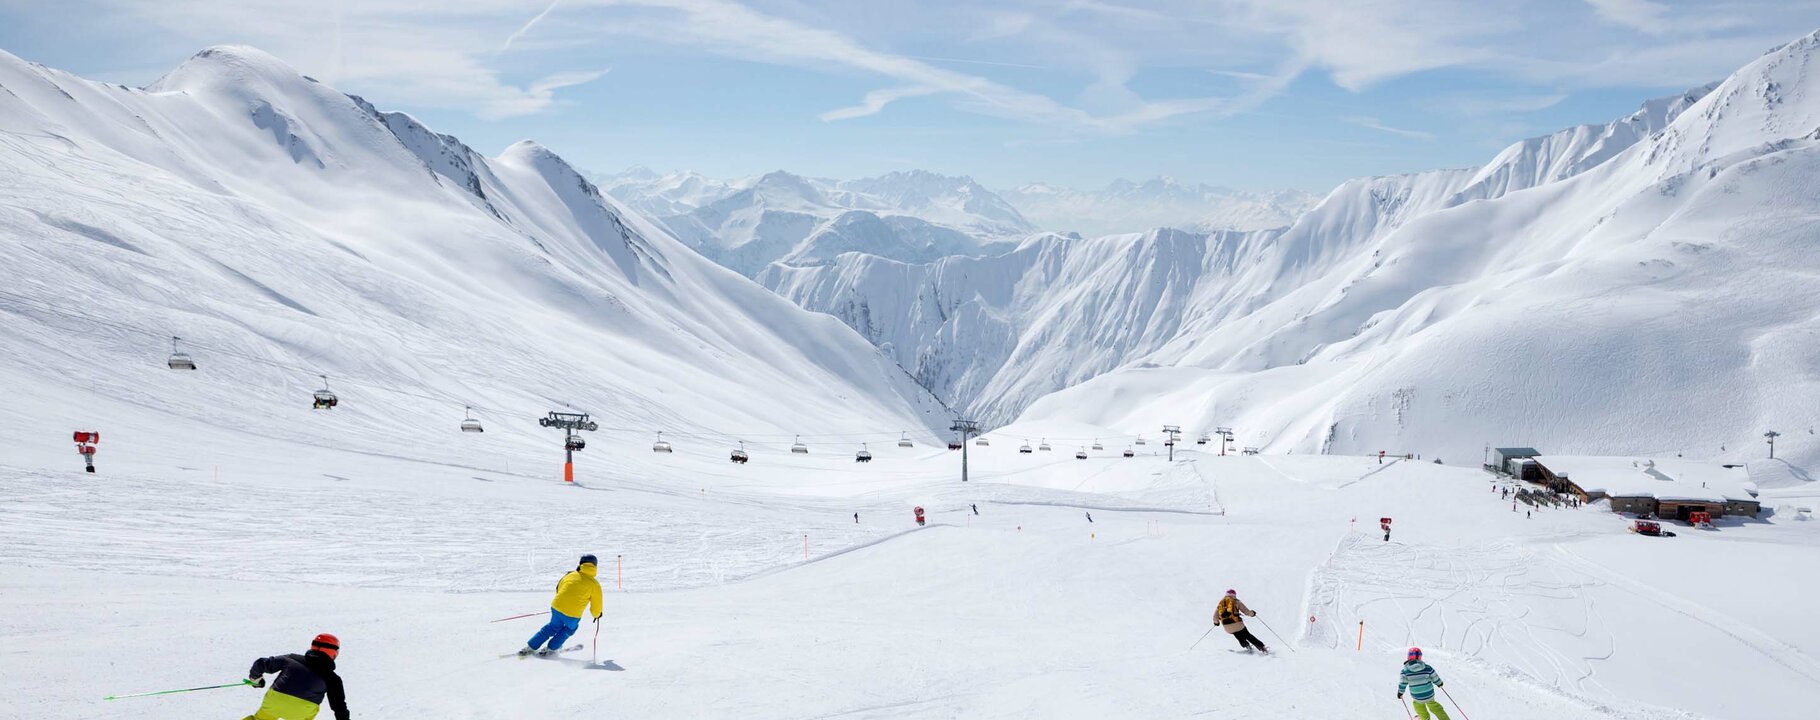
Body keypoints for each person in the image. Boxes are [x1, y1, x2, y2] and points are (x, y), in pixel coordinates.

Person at [244, 633, 349, 720]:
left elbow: (261, 664)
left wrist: (256, 679)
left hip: (275, 701)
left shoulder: (291, 659)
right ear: (333, 652)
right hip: (302, 709)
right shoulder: (332, 678)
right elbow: (339, 707)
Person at [519, 554, 604, 657]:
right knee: (569, 629)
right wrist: (597, 614)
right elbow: (596, 606)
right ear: (595, 566)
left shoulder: (571, 575)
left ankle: (531, 646)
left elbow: (559, 587)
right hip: (572, 615)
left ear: (581, 564)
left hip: (557, 606)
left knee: (552, 627)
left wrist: (562, 603)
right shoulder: (594, 585)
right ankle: (552, 648)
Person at [1398, 647, 1450, 719]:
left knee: (1420, 709)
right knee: (1435, 707)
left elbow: (1402, 683)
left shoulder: (1405, 671)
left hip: (1417, 696)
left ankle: (1424, 718)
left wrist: (1400, 693)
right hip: (1429, 695)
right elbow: (1434, 677)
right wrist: (1439, 683)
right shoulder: (1427, 667)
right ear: (1420, 657)